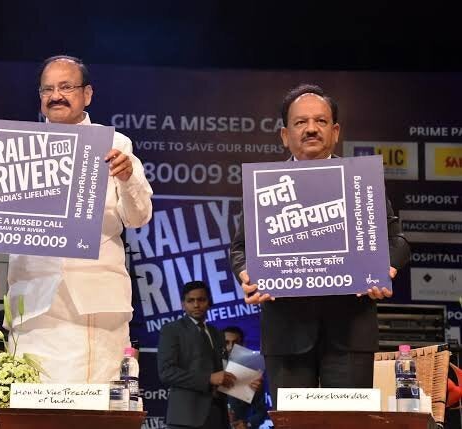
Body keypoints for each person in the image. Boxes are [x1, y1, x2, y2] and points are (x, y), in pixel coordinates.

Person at [0, 55, 153, 383]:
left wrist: (128, 177)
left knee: (95, 410)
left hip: (96, 306)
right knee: (35, 409)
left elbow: (138, 218)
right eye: (47, 89)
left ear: (87, 94)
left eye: (66, 87)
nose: (56, 95)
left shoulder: (116, 145)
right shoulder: (17, 149)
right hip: (36, 309)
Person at [230, 83, 411, 408]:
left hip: (350, 333)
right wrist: (247, 274)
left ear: (335, 130)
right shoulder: (265, 187)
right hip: (286, 334)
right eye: (301, 122)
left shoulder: (359, 181)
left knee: (348, 424)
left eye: (321, 121)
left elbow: (397, 241)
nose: (311, 129)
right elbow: (240, 249)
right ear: (285, 134)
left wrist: (386, 268)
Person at [157, 281, 235, 429]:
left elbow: (223, 372)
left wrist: (247, 385)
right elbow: (166, 373)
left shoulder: (217, 333)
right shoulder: (172, 330)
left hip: (218, 415)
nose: (196, 305)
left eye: (201, 300)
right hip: (186, 417)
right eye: (190, 300)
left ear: (209, 302)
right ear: (183, 304)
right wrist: (209, 378)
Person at [222, 326, 269, 429]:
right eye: (226, 343)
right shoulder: (209, 371)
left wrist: (248, 424)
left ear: (242, 345)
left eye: (235, 343)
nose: (230, 347)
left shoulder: (252, 374)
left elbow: (261, 411)